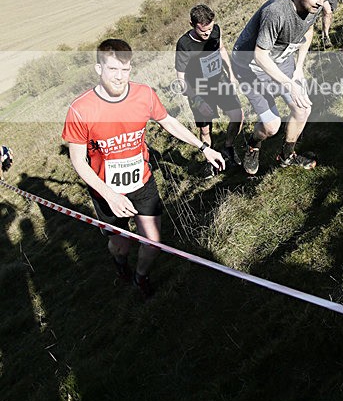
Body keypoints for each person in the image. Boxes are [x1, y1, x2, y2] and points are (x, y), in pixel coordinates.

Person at [62, 38, 225, 297]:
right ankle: (120, 264)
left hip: (143, 183)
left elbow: (168, 122)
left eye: (125, 70)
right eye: (112, 69)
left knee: (153, 242)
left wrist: (204, 148)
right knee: (121, 245)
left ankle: (141, 277)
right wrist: (109, 194)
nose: (119, 77)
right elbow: (78, 161)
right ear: (98, 69)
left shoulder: (144, 94)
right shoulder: (81, 110)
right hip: (106, 191)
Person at [231, 0, 328, 175]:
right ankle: (253, 144)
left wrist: (299, 69)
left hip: (280, 57)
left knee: (303, 109)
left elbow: (308, 30)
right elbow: (260, 55)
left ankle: (286, 155)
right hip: (251, 66)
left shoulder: (314, 4)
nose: (320, 3)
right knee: (271, 126)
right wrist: (288, 84)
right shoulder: (276, 13)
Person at [175, 4, 243, 178]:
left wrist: (231, 74)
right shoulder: (184, 44)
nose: (207, 34)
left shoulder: (216, 30)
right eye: (202, 31)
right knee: (205, 130)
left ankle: (228, 148)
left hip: (220, 81)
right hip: (198, 89)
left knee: (237, 116)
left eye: (210, 29)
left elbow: (221, 49)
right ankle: (210, 161)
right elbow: (181, 78)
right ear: (192, 24)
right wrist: (197, 100)